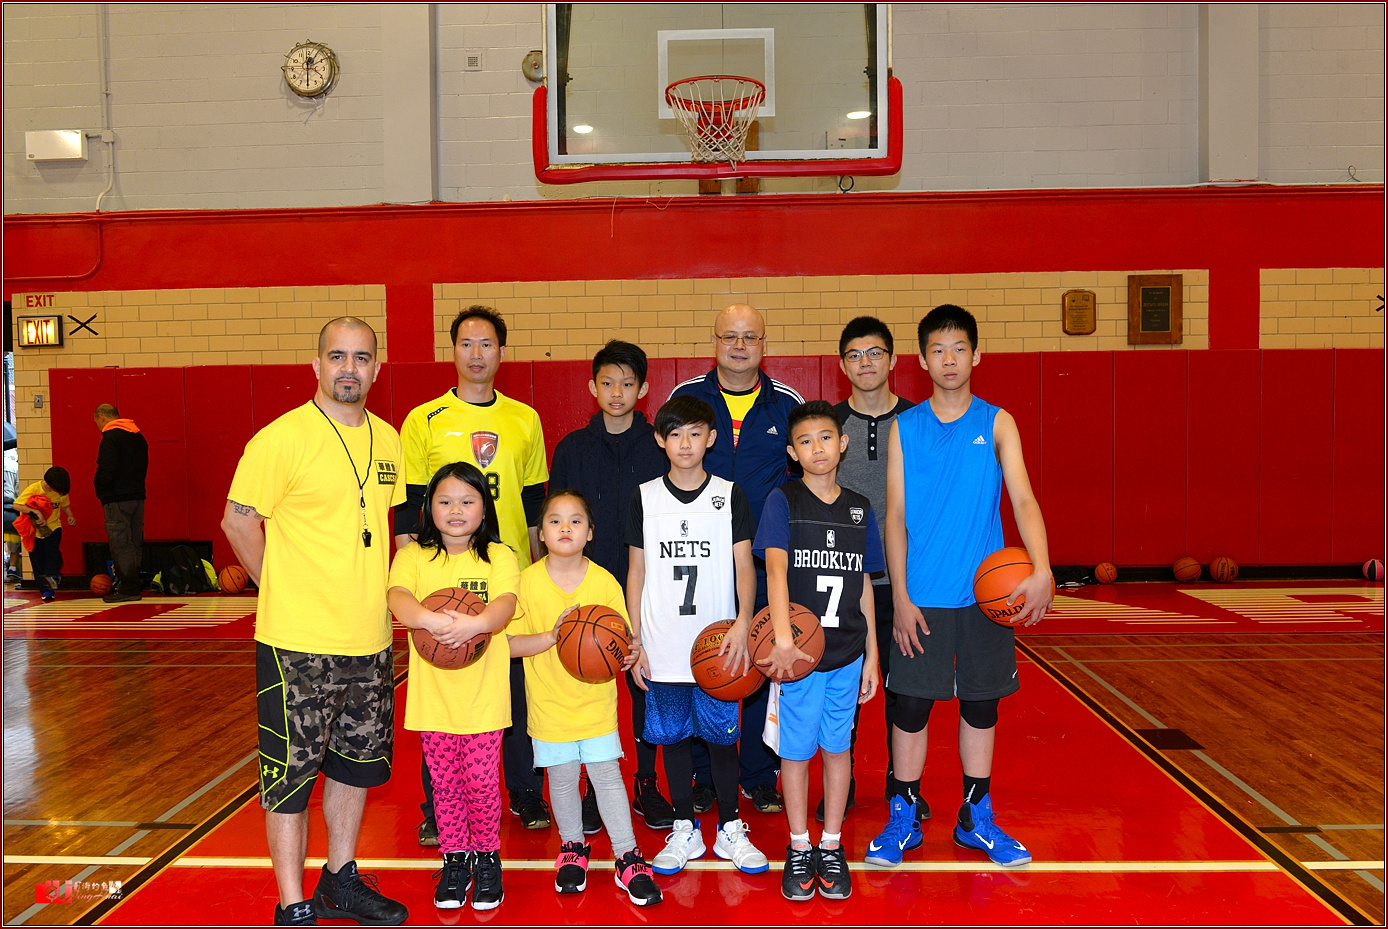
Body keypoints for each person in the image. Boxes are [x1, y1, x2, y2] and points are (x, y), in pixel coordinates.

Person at [222, 317, 408, 926]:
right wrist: (280, 585)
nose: (349, 368)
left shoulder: (389, 440)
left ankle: (338, 881)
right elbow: (237, 520)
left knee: (355, 768)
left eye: (361, 358)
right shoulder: (280, 439)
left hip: (369, 639)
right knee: (290, 779)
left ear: (376, 367)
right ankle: (292, 903)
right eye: (337, 356)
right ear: (317, 364)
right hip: (296, 643)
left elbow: (391, 531)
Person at [865, 304, 1053, 871]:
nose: (949, 360)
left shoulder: (997, 423)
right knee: (911, 707)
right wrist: (899, 596)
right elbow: (894, 517)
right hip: (921, 595)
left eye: (959, 349)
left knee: (980, 703)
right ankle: (903, 815)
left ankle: (975, 816)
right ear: (922, 361)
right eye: (938, 350)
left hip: (984, 598)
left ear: (977, 354)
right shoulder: (905, 427)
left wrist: (1043, 568)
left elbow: (1023, 499)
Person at [396, 305, 552, 840]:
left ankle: (525, 791)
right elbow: (410, 505)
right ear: (453, 350)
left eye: (486, 344)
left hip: (506, 573)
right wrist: (413, 571)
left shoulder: (524, 419)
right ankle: (436, 808)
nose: (476, 353)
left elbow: (534, 505)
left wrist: (537, 571)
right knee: (441, 680)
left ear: (501, 352)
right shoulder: (424, 419)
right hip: (441, 577)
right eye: (466, 343)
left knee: (514, 690)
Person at [625, 395, 768, 877]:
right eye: (674, 434)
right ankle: (684, 827)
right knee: (675, 740)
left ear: (711, 438)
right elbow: (636, 572)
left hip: (717, 644)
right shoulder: (644, 497)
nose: (685, 443)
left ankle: (730, 827)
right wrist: (636, 640)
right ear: (660, 440)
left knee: (723, 740)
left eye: (694, 433)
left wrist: (744, 622)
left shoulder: (730, 495)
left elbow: (745, 566)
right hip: (662, 641)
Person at [669, 303, 802, 814]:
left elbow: (799, 482)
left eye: (750, 337)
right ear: (715, 341)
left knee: (761, 658)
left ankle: (759, 773)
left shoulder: (786, 403)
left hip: (764, 559)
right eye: (730, 336)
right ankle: (705, 775)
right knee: (707, 657)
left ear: (764, 344)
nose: (740, 346)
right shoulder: (687, 398)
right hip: (699, 554)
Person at [754, 400, 884, 901]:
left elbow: (865, 584)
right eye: (805, 442)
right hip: (800, 658)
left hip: (847, 654)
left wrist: (872, 653)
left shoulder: (860, 507)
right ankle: (798, 844)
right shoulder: (783, 500)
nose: (817, 448)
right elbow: (776, 571)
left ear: (843, 443)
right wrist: (783, 638)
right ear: (792, 452)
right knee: (795, 751)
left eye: (826, 438)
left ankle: (831, 843)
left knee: (838, 748)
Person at [507, 490, 663, 906]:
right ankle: (572, 848)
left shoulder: (604, 581)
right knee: (561, 780)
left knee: (606, 777)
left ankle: (627, 856)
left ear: (590, 533)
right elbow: (507, 644)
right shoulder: (525, 583)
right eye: (555, 520)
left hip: (595, 704)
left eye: (576, 521)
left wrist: (629, 653)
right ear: (540, 533)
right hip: (549, 705)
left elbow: (622, 641)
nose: (565, 527)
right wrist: (552, 636)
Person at [548, 340, 675, 833]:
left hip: (649, 587)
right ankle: (589, 789)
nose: (616, 392)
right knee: (586, 688)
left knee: (644, 688)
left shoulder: (659, 447)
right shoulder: (572, 449)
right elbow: (557, 522)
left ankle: (646, 782)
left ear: (643, 389)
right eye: (607, 382)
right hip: (586, 588)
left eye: (627, 383)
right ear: (592, 387)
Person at [387, 462, 520, 912]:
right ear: (429, 508)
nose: (456, 510)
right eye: (445, 501)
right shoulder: (413, 557)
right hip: (434, 700)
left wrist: (475, 625)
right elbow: (397, 597)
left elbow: (505, 605)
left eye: (467, 501)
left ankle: (487, 858)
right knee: (444, 786)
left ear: (484, 508)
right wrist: (428, 619)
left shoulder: (499, 556)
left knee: (481, 784)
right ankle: (455, 859)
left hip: (484, 697)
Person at [829, 316, 922, 822]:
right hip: (843, 584)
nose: (865, 363)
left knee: (904, 689)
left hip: (905, 582)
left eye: (875, 353)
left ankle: (902, 786)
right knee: (844, 691)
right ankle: (840, 785)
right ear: (842, 365)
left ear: (893, 360)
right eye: (855, 355)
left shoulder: (918, 421)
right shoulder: (827, 425)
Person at [93, 403, 149, 603]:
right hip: (137, 496)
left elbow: (106, 469)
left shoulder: (111, 438)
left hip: (116, 498)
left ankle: (128, 588)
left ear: (102, 417)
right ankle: (134, 583)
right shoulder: (139, 437)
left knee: (120, 543)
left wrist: (99, 488)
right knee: (134, 542)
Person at [10, 466, 75, 602]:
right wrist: (36, 512)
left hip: (53, 527)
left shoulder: (60, 491)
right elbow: (17, 505)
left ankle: (52, 575)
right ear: (50, 484)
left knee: (52, 552)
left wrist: (70, 515)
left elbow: (65, 505)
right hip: (34, 531)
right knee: (38, 560)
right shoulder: (35, 489)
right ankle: (46, 590)